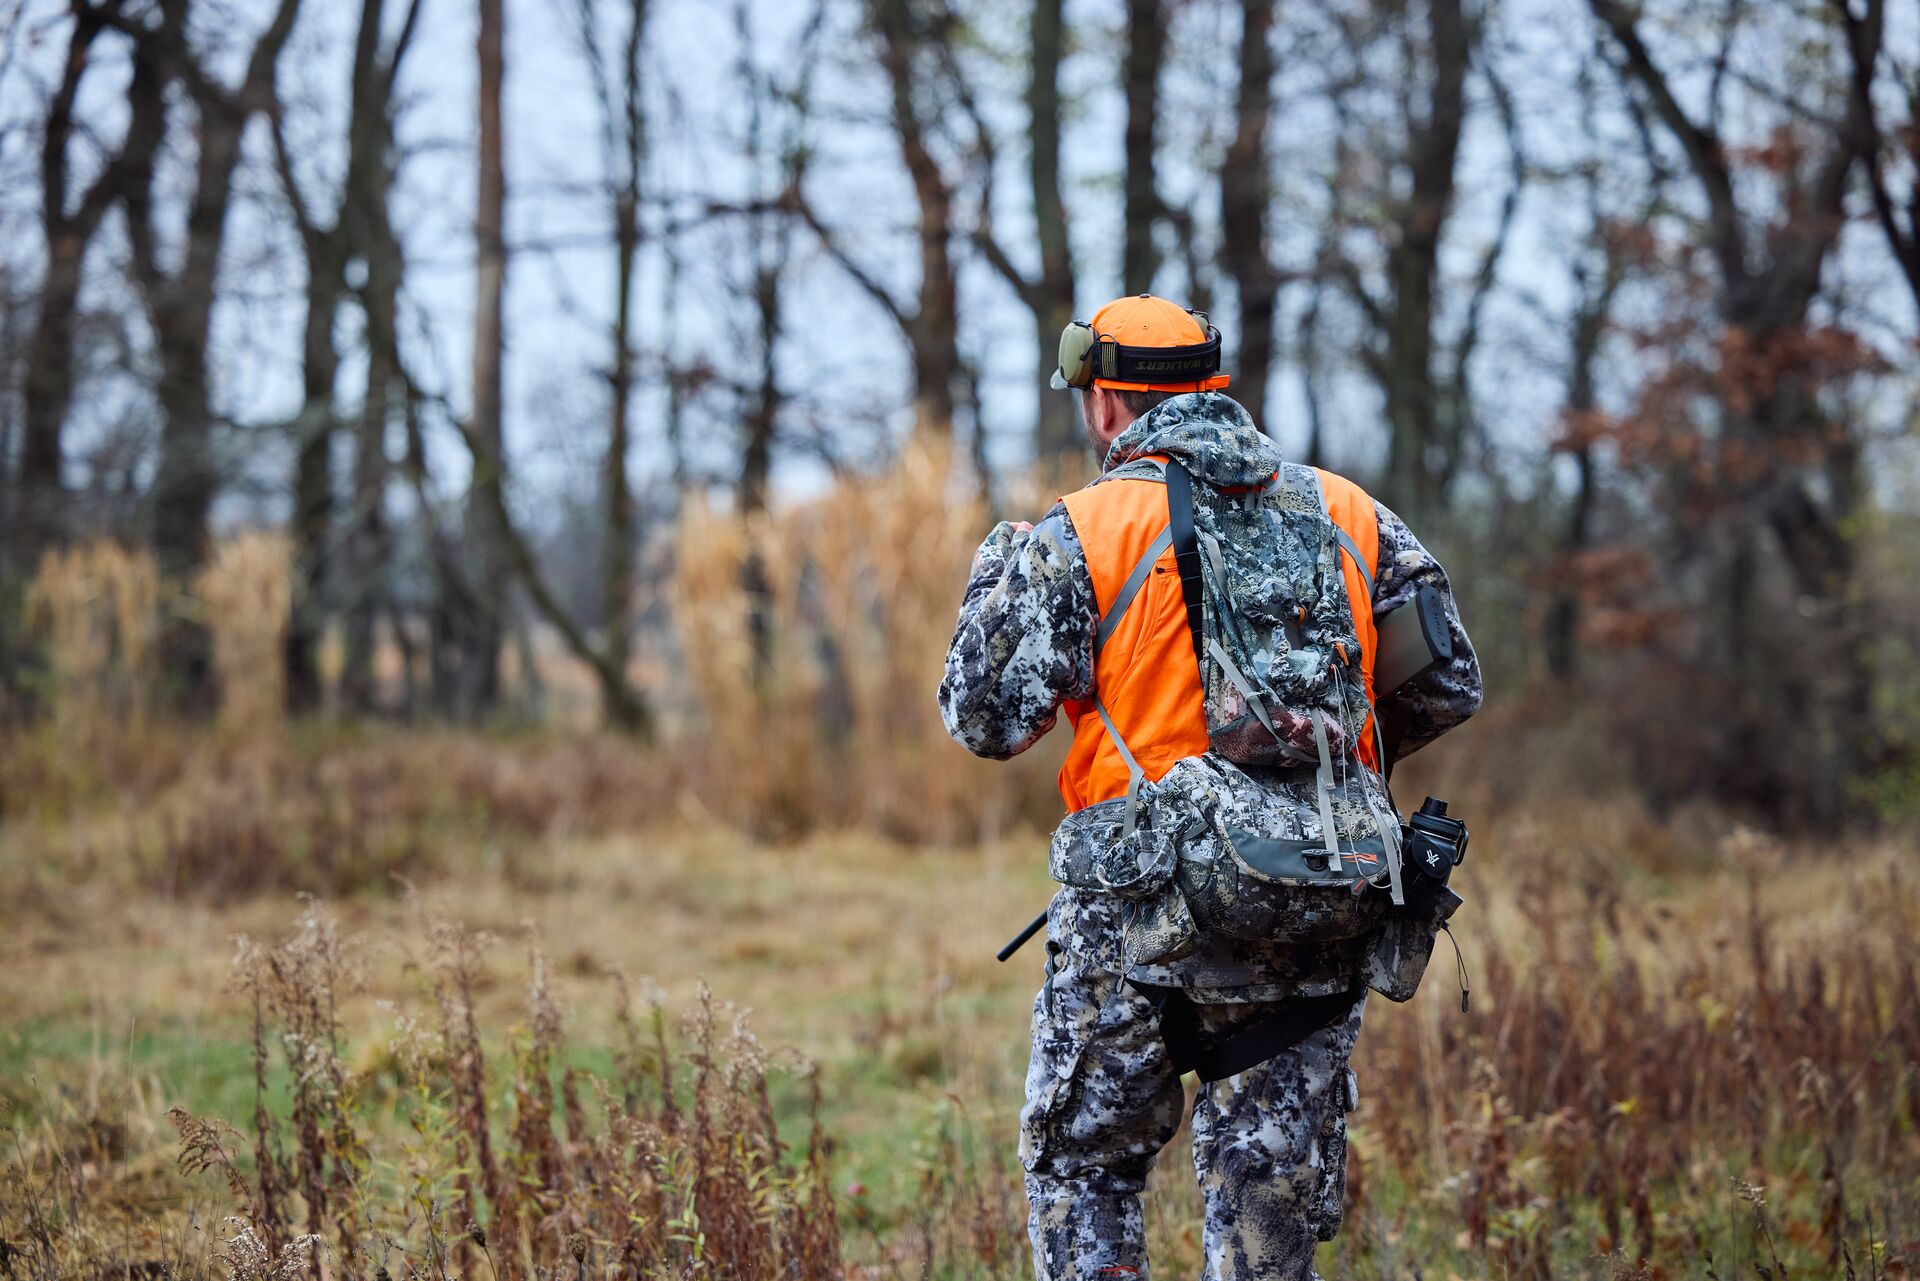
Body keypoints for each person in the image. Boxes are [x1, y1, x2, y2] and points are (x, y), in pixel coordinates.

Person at [937, 294, 1482, 1280]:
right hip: (1313, 902)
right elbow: (1450, 684)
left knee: (1088, 1176)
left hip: (1131, 923)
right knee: (1266, 1220)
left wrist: (995, 572)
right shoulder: (1351, 513)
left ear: (1107, 403)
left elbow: (983, 719)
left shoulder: (1083, 530)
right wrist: (1328, 773)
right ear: (1211, 385)